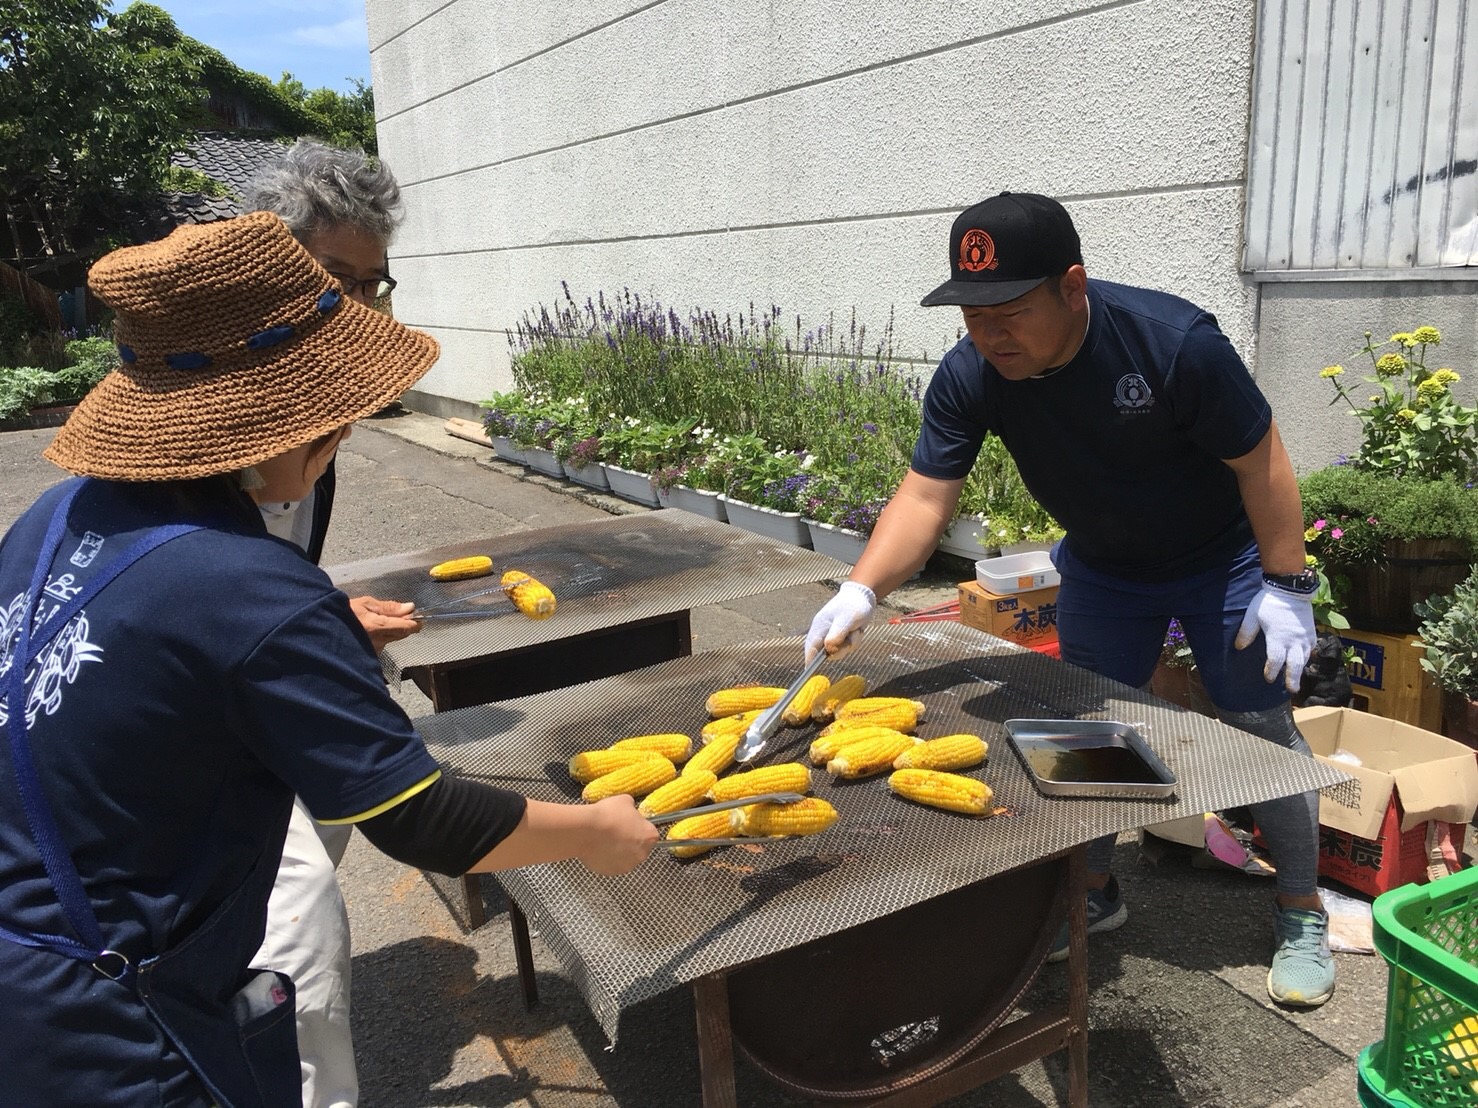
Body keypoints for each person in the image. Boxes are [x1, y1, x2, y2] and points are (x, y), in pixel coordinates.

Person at [0, 212, 658, 1106]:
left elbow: (154, 663)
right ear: (275, 426)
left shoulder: (56, 520)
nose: (340, 437)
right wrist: (593, 834)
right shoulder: (252, 590)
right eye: (333, 420)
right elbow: (418, 819)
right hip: (114, 1015)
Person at [804, 192, 1333, 1008]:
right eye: (973, 316)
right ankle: (1091, 891)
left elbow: (1261, 459)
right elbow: (923, 497)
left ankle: (1301, 908)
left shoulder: (1172, 345)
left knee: (1257, 721)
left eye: (1009, 312)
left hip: (1219, 558)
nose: (989, 335)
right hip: (1105, 564)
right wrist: (861, 587)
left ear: (1073, 286)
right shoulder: (973, 371)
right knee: (1086, 724)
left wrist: (1287, 582)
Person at [245, 138, 419, 1108]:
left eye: (369, 282)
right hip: (196, 741)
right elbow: (213, 589)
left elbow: (267, 569)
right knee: (296, 915)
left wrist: (322, 611)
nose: (351, 307)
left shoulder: (320, 417)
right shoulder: (216, 417)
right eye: (331, 279)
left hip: (248, 695)